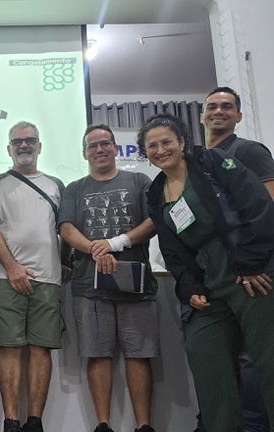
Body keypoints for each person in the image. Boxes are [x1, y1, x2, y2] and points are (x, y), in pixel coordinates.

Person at [139, 113, 274, 432]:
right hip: (208, 285)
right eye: (152, 146)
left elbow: (257, 204)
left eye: (166, 142)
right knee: (203, 352)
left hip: (248, 274)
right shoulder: (155, 192)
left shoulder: (212, 162)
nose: (160, 150)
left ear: (182, 141)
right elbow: (172, 249)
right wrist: (190, 287)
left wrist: (251, 263)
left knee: (268, 361)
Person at [58, 124, 158, 432]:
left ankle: (143, 425)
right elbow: (66, 228)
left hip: (135, 284)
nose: (99, 150)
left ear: (115, 148)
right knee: (97, 354)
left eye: (105, 144)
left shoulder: (139, 181)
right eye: (92, 146)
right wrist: (94, 249)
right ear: (84, 153)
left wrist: (116, 243)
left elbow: (154, 221)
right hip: (89, 287)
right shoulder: (74, 188)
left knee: (139, 355)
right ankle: (103, 424)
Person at [0, 121, 71, 432]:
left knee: (41, 349)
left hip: (48, 278)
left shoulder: (56, 185)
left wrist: (65, 261)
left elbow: (66, 228)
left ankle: (35, 422)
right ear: (8, 148)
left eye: (30, 140)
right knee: (8, 347)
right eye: (17, 141)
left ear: (39, 146)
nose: (24, 145)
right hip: (5, 277)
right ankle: (11, 421)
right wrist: (12, 267)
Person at [196, 86, 274, 432]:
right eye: (212, 106)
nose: (219, 111)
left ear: (239, 116)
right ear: (202, 115)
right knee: (222, 359)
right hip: (218, 276)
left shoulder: (248, 151)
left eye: (227, 106)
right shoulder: (197, 161)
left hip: (254, 271)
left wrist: (252, 262)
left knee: (254, 359)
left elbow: (267, 206)